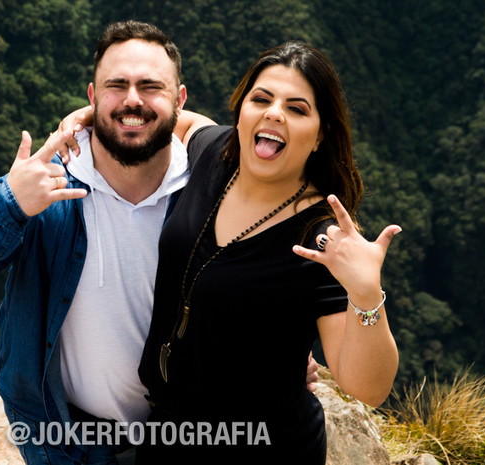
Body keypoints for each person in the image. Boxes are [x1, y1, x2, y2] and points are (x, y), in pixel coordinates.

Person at [0, 21, 217, 465]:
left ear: (180, 99)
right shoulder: (46, 190)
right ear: (93, 98)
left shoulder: (207, 195)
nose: (132, 99)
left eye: (150, 86)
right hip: (64, 440)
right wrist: (9, 205)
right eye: (117, 86)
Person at [135, 40, 401, 464]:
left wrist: (366, 294)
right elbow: (182, 122)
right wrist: (93, 116)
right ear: (241, 113)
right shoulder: (213, 154)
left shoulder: (321, 240)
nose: (274, 112)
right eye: (262, 99)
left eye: (297, 109)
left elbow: (368, 387)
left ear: (320, 136)